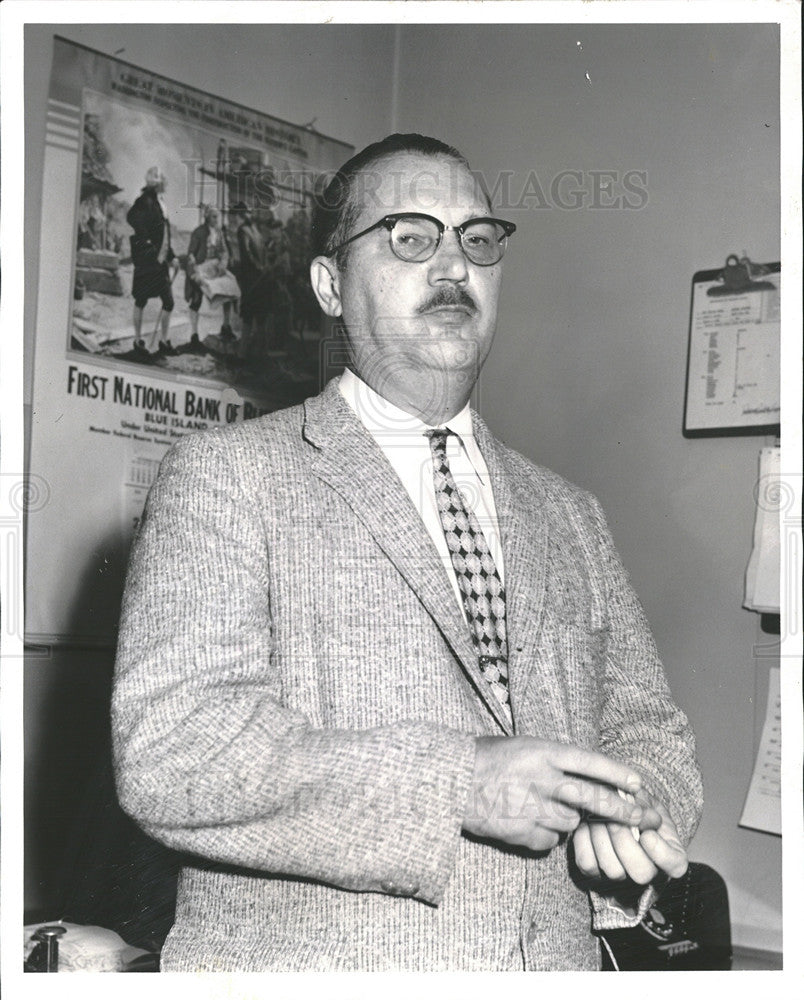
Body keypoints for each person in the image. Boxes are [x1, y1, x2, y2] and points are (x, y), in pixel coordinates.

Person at [112, 133, 703, 972]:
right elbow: (175, 751)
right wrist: (455, 782)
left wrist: (628, 805)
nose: (455, 266)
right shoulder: (227, 476)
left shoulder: (571, 514)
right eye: (411, 237)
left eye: (477, 239)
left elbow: (652, 732)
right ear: (329, 285)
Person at [126, 166, 175, 357]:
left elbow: (165, 235)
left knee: (169, 302)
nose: (164, 185)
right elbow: (132, 217)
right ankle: (138, 341)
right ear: (155, 184)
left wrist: (172, 256)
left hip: (161, 262)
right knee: (141, 300)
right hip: (147, 260)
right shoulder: (144, 200)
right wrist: (146, 241)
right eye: (161, 182)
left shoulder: (160, 203)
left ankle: (163, 342)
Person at [184, 205, 236, 347]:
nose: (216, 219)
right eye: (213, 216)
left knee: (229, 286)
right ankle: (194, 334)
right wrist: (194, 273)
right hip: (201, 268)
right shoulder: (198, 233)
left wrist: (223, 264)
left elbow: (224, 251)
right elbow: (191, 254)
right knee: (196, 299)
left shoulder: (219, 233)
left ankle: (226, 326)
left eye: (217, 216)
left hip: (215, 268)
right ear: (207, 217)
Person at [231, 202, 267, 356]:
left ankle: (242, 354)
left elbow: (246, 254)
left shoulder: (242, 231)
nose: (234, 221)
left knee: (247, 316)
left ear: (240, 216)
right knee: (259, 318)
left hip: (250, 280)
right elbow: (262, 252)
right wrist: (262, 268)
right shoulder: (256, 231)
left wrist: (254, 267)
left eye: (235, 217)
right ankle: (259, 354)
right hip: (261, 279)